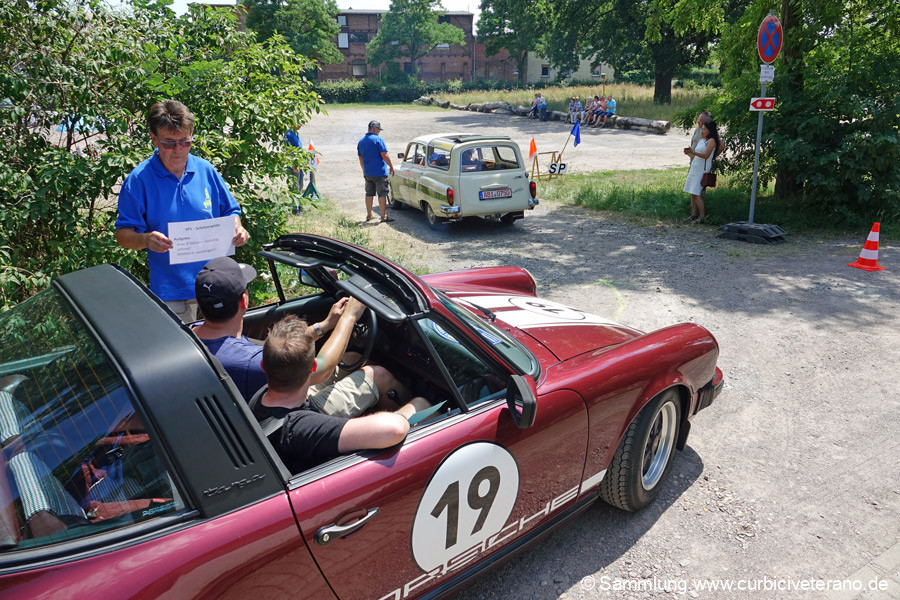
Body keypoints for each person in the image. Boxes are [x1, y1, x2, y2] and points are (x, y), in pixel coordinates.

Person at [115, 100, 249, 323]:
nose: (178, 150)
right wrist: (146, 239)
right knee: (186, 355)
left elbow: (231, 210)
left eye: (185, 142)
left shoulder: (205, 170)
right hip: (172, 293)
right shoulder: (139, 180)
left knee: (220, 354)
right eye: (169, 143)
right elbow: (123, 235)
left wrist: (238, 228)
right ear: (154, 138)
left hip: (217, 284)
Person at [251, 315, 430, 473]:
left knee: (352, 359)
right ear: (314, 367)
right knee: (421, 403)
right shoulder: (301, 428)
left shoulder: (259, 397)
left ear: (264, 367)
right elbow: (395, 429)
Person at [193, 257, 345, 402]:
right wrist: (349, 317)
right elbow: (323, 370)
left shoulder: (188, 334)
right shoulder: (250, 362)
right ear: (244, 301)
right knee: (368, 371)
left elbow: (276, 348)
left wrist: (324, 325)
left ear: (199, 303)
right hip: (278, 422)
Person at [682, 120, 720, 224]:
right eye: (701, 129)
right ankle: (693, 214)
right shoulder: (701, 140)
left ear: (710, 130)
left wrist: (693, 152)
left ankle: (702, 217)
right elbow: (696, 157)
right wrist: (689, 154)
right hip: (695, 167)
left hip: (702, 170)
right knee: (692, 193)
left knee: (697, 193)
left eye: (704, 129)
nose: (702, 131)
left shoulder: (711, 141)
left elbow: (706, 156)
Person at [357, 120, 395, 224]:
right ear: (374, 128)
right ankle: (383, 216)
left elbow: (360, 158)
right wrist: (391, 166)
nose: (379, 132)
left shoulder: (361, 141)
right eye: (378, 129)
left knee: (369, 193)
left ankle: (369, 215)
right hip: (380, 172)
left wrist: (364, 170)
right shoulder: (378, 139)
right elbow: (384, 154)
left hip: (368, 172)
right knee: (382, 193)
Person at [284, 126, 303, 214]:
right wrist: (294, 165)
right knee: (295, 186)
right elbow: (288, 150)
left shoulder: (296, 133)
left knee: (300, 185)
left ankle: (299, 205)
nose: (300, 125)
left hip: (299, 163)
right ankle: (295, 208)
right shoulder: (289, 134)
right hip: (293, 164)